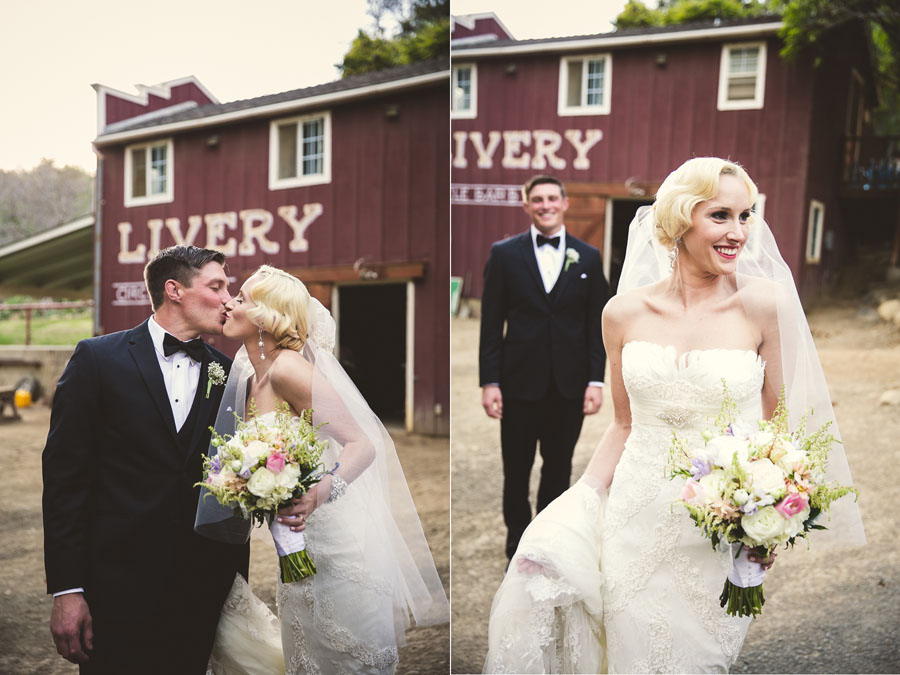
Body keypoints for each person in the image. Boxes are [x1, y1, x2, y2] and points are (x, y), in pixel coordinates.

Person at [484, 158, 865, 673]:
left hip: (718, 528)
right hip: (633, 521)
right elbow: (623, 426)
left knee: (698, 659)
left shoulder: (763, 306)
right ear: (681, 221)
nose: (739, 233)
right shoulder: (622, 313)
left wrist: (771, 518)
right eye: (721, 216)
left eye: (745, 215)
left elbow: (782, 429)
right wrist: (572, 510)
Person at [198, 265, 449, 675]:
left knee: (346, 658)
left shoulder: (288, 368)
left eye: (241, 298)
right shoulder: (250, 378)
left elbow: (361, 443)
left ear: (267, 315)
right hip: (296, 545)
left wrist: (319, 493)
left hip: (336, 544)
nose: (229, 302)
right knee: (307, 657)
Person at [42, 246, 249, 674]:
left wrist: (233, 590)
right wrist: (67, 589)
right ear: (174, 289)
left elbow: (233, 488)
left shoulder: (228, 373)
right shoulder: (97, 359)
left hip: (200, 591)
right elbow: (65, 481)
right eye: (217, 286)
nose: (229, 298)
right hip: (114, 591)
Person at [479, 174, 610, 560]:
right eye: (537, 199)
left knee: (558, 470)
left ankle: (549, 545)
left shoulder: (588, 257)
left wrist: (594, 380)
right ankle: (517, 549)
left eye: (552, 198)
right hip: (518, 384)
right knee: (516, 472)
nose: (545, 205)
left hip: (568, 387)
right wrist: (490, 381)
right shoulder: (504, 254)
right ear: (526, 205)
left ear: (565, 203)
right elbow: (490, 322)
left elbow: (596, 324)